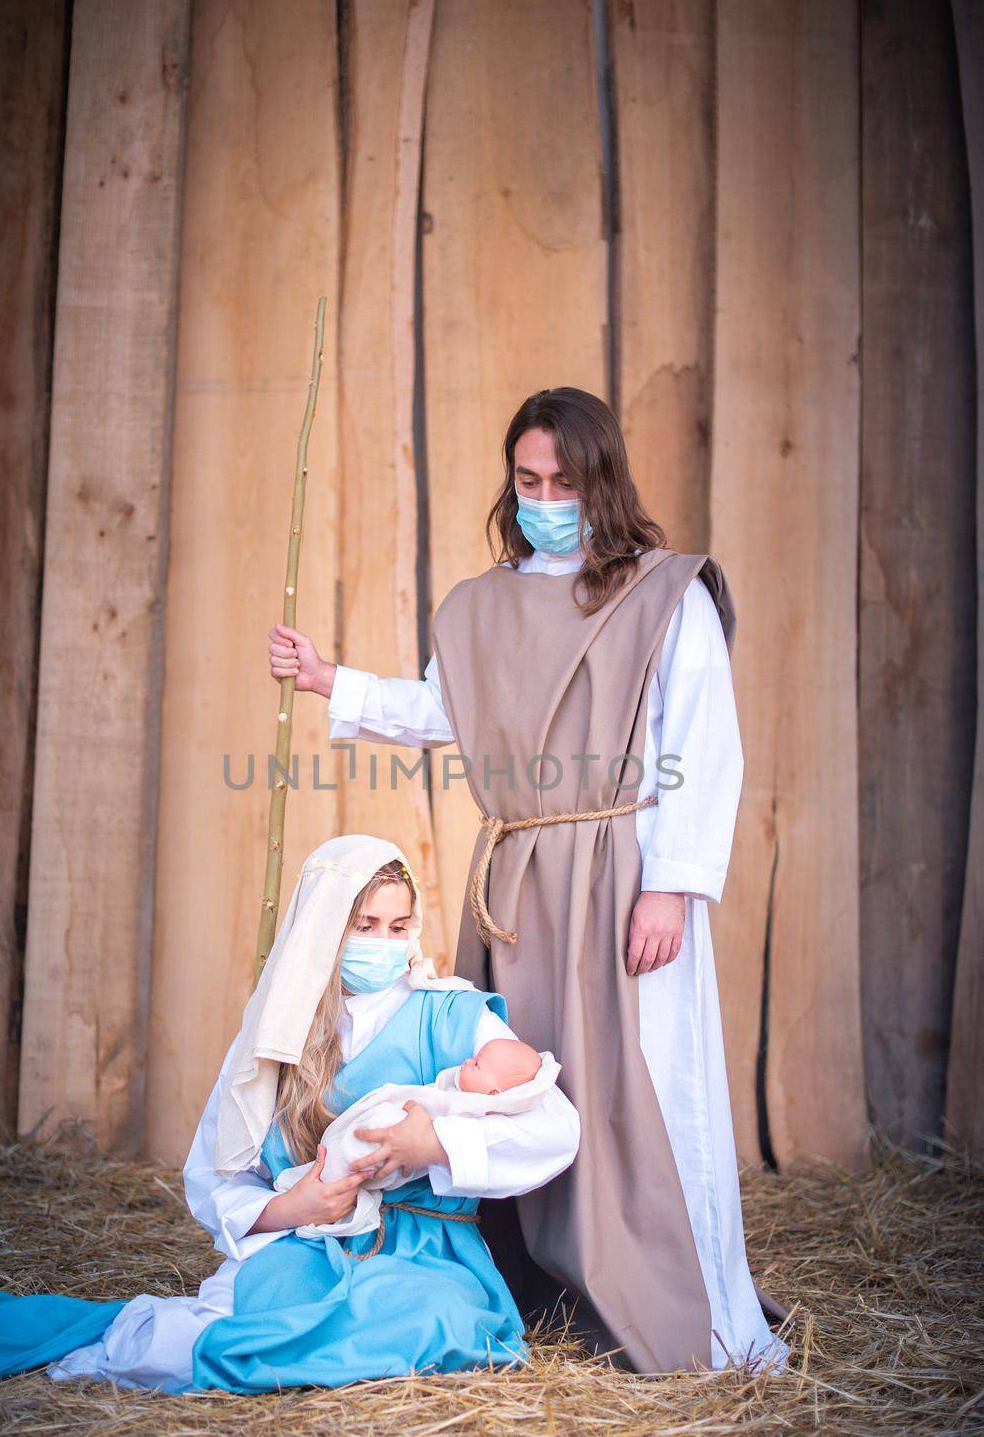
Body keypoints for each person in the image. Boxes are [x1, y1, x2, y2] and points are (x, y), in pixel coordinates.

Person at [269, 386, 791, 1375]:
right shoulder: (483, 604)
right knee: (519, 1075)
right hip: (520, 879)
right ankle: (547, 1289)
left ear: (603, 480)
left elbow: (702, 741)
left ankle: (696, 1313)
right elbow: (437, 709)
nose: (548, 496)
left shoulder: (664, 593)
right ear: (512, 485)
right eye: (529, 479)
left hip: (628, 865)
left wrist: (671, 885)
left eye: (565, 479)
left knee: (643, 1086)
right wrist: (327, 678)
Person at [0, 836, 580, 1393]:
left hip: (426, 1254)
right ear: (326, 928)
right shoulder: (275, 1034)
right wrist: (292, 1211)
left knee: (444, 1323)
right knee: (252, 1316)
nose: (384, 943)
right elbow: (213, 1177)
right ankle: (181, 1346)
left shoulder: (453, 1013)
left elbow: (555, 1128)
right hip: (305, 1247)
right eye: (365, 926)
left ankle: (223, 1356)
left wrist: (434, 1142)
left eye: (398, 926)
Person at [274, 1035, 555, 1240]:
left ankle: (335, 1176)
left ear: (494, 1094)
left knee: (377, 1134)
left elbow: (553, 1133)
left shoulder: (478, 1106)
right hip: (314, 1200)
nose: (467, 1061)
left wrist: (431, 1145)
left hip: (427, 1233)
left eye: (477, 1065)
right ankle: (322, 1180)